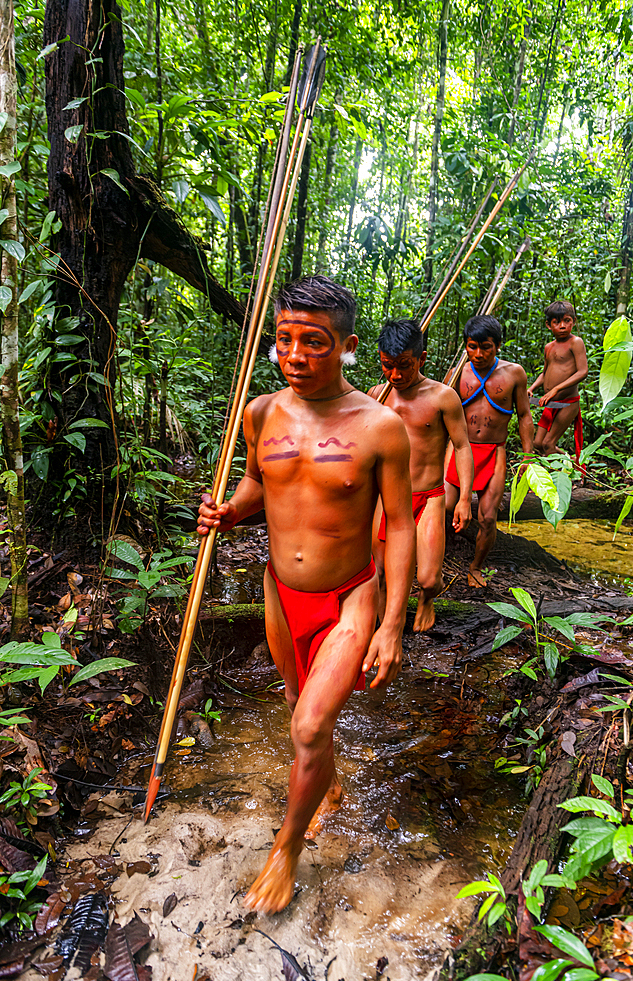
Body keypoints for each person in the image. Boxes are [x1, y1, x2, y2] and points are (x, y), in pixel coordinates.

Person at [197, 276, 416, 916]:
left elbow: (400, 526)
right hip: (278, 589)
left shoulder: (381, 428)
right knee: (300, 710)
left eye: (314, 343)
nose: (295, 355)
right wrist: (227, 511)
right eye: (285, 340)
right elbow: (255, 486)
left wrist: (392, 624)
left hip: (350, 596)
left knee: (310, 723)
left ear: (347, 347)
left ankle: (287, 850)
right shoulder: (260, 412)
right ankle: (329, 780)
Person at [369, 319, 474, 632]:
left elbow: (462, 446)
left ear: (422, 358)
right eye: (388, 366)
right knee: (380, 571)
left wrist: (465, 498)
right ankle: (386, 626)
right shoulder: (376, 395)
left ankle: (427, 600)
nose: (396, 375)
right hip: (385, 497)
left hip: (428, 496)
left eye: (405, 365)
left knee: (428, 578)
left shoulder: (443, 397)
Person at [445, 314, 533, 588]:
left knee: (488, 517)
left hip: (494, 452)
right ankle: (435, 559)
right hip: (459, 448)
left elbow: (524, 416)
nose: (479, 354)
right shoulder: (458, 372)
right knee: (444, 505)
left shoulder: (514, 373)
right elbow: (440, 413)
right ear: (466, 346)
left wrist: (529, 457)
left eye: (486, 347)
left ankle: (475, 567)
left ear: (498, 346)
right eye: (472, 346)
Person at [528, 300, 588, 461]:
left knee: (548, 444)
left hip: (568, 403)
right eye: (557, 322)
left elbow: (583, 372)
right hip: (551, 404)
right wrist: (532, 388)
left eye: (567, 321)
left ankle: (563, 477)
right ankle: (569, 461)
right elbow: (544, 373)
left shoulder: (576, 342)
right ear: (549, 325)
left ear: (573, 322)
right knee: (538, 443)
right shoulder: (549, 347)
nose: (562, 326)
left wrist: (556, 389)